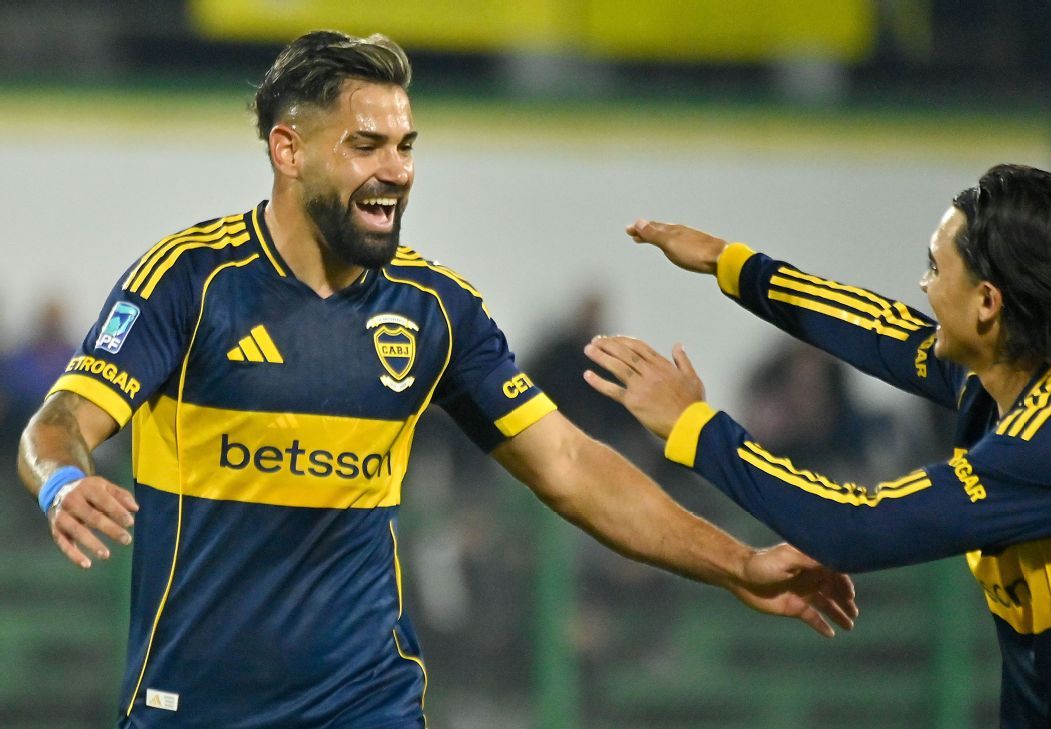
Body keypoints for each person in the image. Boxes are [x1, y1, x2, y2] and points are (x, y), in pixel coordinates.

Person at [15, 30, 856, 729]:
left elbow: (569, 466)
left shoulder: (433, 310)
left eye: (406, 146)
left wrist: (738, 562)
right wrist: (61, 482)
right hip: (195, 706)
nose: (398, 170)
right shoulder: (189, 281)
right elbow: (60, 422)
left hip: (365, 702)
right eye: (367, 145)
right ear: (288, 150)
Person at [585, 164, 1051, 728]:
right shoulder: (1024, 378)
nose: (924, 286)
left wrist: (694, 427)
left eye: (935, 267)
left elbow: (852, 526)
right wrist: (732, 265)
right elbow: (876, 329)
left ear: (987, 303)